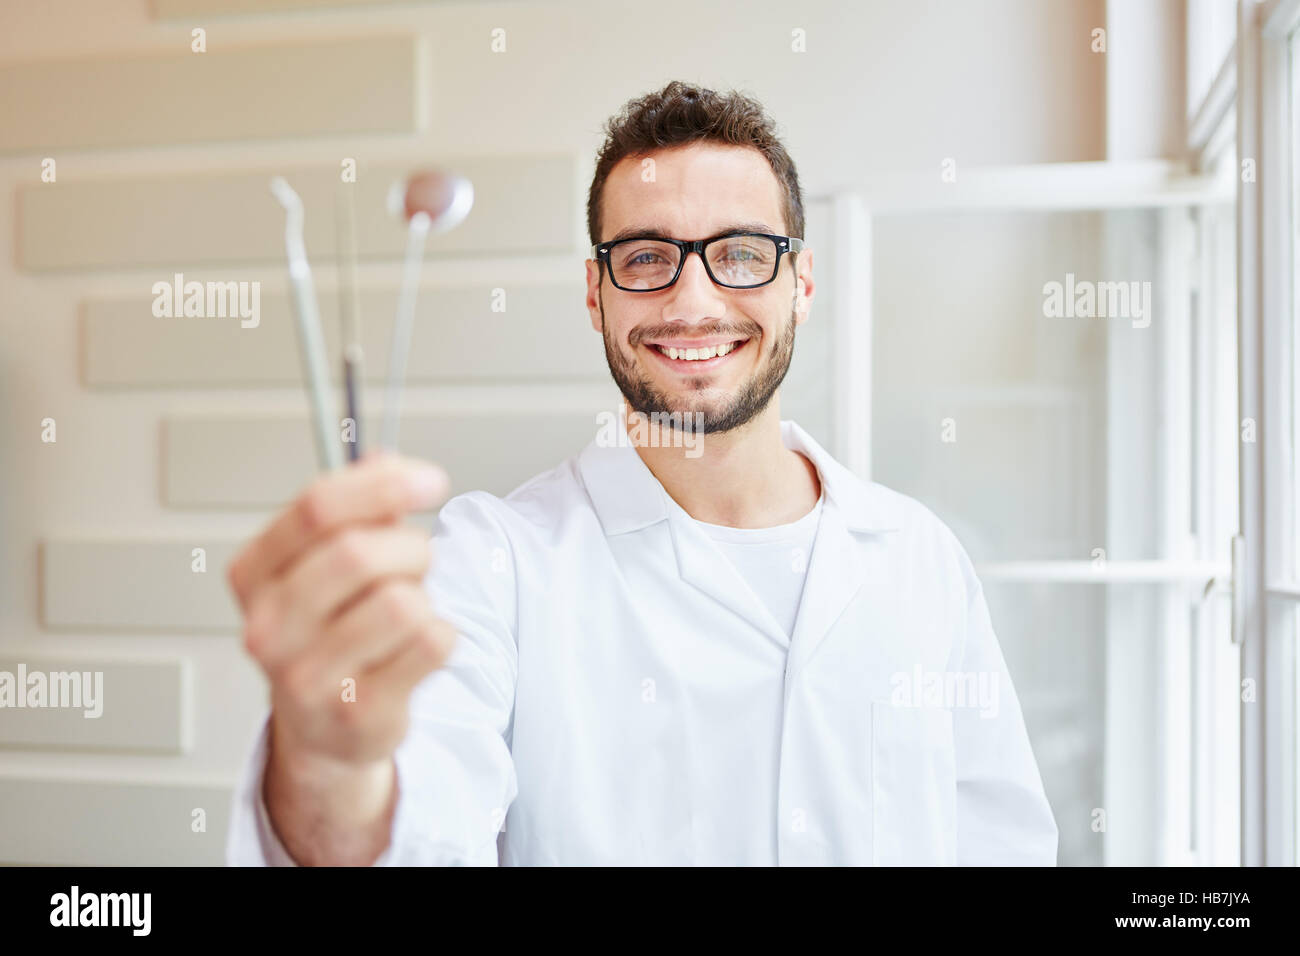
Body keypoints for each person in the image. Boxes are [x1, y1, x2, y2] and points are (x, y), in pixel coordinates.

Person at [225, 80, 1058, 866]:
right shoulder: (498, 563)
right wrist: (329, 759)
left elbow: (1002, 842)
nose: (693, 301)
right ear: (596, 294)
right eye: (649, 257)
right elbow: (412, 828)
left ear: (801, 284)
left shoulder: (918, 556)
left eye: (739, 253)